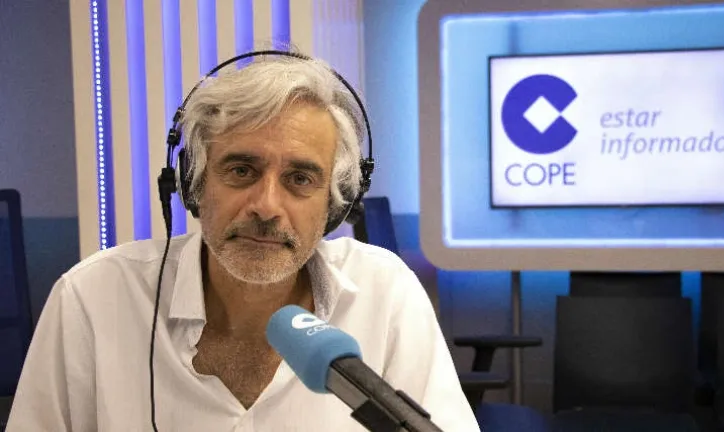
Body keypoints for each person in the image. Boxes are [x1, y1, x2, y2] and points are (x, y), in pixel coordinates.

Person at [7, 52, 480, 431]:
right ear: (195, 184)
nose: (266, 206)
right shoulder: (92, 298)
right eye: (241, 170)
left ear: (335, 205)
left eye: (299, 178)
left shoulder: (386, 292)